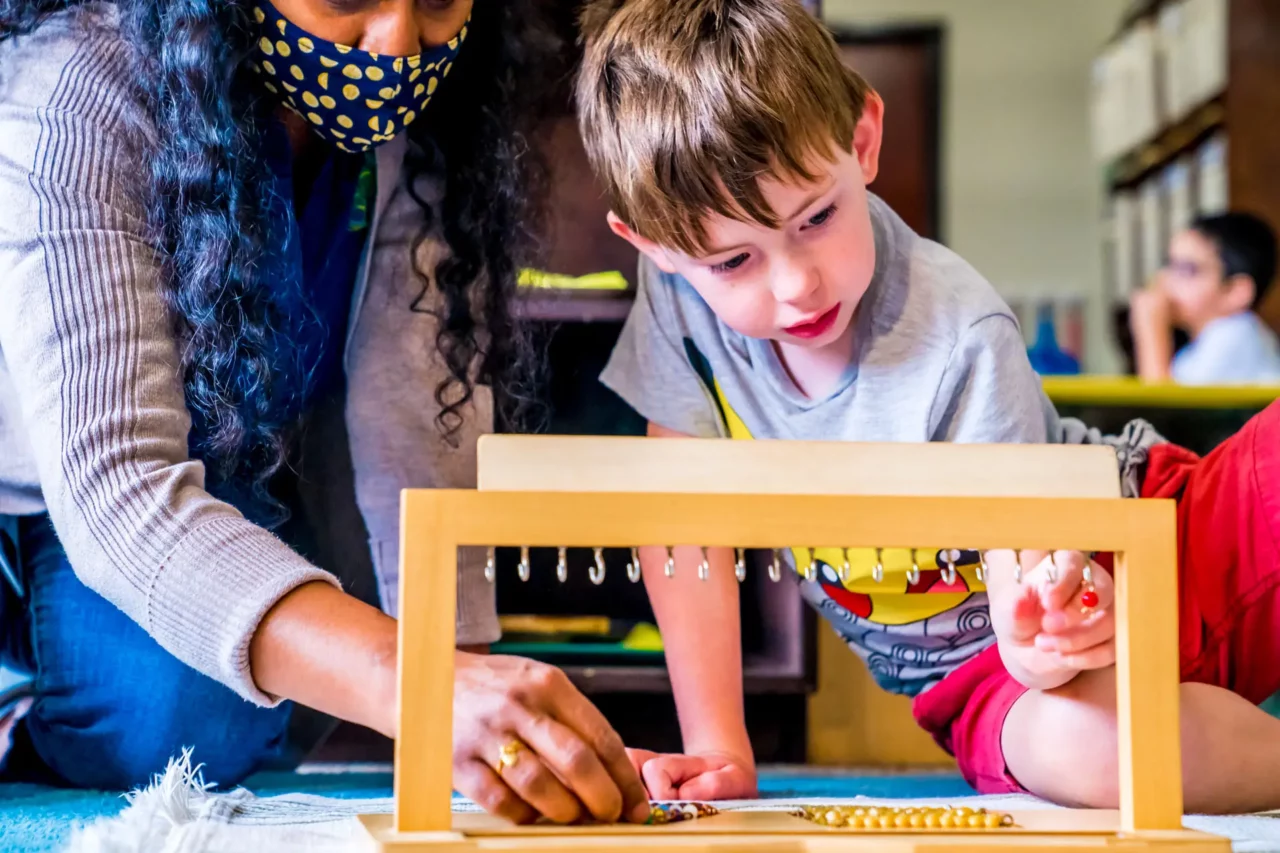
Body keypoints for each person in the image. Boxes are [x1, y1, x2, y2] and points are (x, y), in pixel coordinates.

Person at [577, 0, 1280, 814]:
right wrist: (717, 745)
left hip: (1152, 533)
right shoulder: (679, 306)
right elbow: (678, 516)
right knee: (1097, 751)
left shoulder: (959, 327)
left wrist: (1049, 617)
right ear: (655, 248)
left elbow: (1031, 540)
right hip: (994, 681)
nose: (796, 282)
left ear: (863, 141)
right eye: (734, 259)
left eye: (817, 217)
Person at [0, 0, 648, 826]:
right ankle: (26, 717)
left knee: (255, 686)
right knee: (181, 718)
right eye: (349, 1)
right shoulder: (70, 96)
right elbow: (119, 486)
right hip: (46, 493)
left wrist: (477, 707)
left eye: (441, 2)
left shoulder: (413, 116)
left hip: (201, 477)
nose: (398, 47)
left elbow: (419, 404)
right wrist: (411, 682)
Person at [1130, 212, 1280, 385]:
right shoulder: (1205, 343)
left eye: (1186, 270)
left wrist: (1151, 331)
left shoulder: (1236, 334)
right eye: (1169, 265)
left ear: (1235, 291)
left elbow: (1168, 409)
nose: (1164, 279)